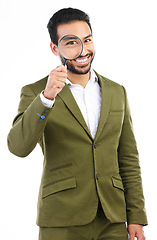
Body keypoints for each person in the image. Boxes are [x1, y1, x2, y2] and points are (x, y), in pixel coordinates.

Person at [7, 7, 148, 240]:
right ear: (55, 48)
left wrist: (136, 216)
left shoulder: (117, 91)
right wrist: (47, 98)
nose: (83, 50)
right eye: (71, 42)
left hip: (112, 219)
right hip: (62, 218)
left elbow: (128, 158)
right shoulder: (36, 92)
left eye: (87, 40)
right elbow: (18, 147)